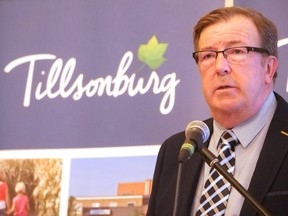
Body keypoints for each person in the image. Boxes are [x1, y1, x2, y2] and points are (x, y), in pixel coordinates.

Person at [147, 6, 288, 216]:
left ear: (268, 68)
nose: (220, 66)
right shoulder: (176, 151)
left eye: (237, 51)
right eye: (208, 56)